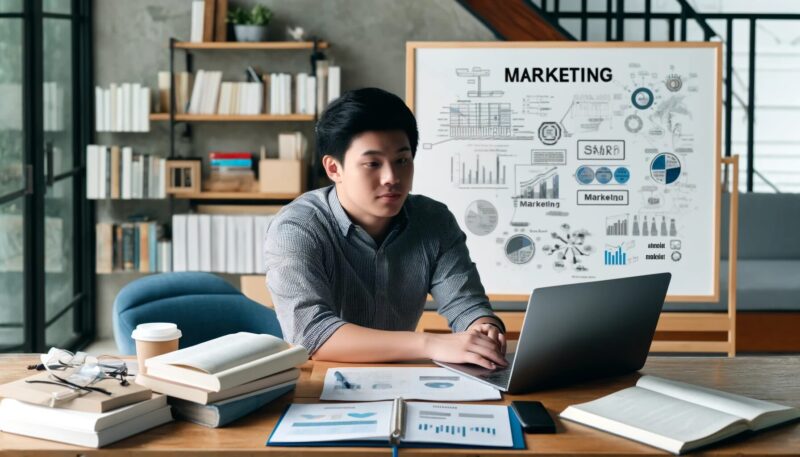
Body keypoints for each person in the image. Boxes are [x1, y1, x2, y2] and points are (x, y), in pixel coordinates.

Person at [263, 87, 507, 370]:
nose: (392, 178)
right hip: (318, 387)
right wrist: (430, 343)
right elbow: (312, 335)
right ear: (334, 168)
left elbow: (466, 304)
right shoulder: (296, 228)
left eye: (402, 160)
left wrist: (483, 327)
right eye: (372, 164)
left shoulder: (433, 220)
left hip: (400, 381)